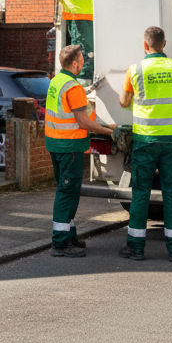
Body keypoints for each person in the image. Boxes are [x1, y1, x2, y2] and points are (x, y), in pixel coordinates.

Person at [119, 26, 172, 262]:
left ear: (145, 45)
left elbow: (123, 102)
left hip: (145, 140)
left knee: (140, 194)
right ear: (165, 43)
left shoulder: (135, 69)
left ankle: (136, 248)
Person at [46, 43, 117, 257]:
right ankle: (59, 244)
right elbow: (84, 123)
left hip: (56, 144)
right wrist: (108, 131)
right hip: (70, 147)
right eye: (82, 59)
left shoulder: (57, 81)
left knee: (68, 192)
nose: (84, 62)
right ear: (75, 63)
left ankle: (69, 236)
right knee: (66, 194)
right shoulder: (73, 87)